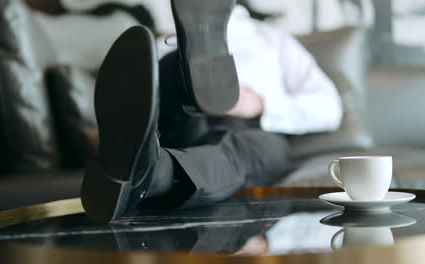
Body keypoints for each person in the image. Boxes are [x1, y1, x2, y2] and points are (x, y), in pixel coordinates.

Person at [81, 0, 343, 223]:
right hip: (187, 122)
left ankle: (152, 169)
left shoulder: (273, 39)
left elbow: (331, 108)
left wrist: (260, 104)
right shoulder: (163, 44)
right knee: (171, 65)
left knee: (237, 152)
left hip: (257, 131)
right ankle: (193, 75)